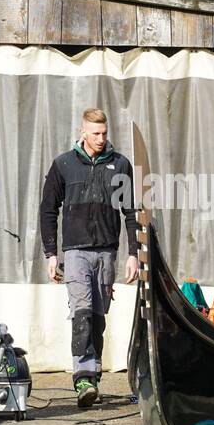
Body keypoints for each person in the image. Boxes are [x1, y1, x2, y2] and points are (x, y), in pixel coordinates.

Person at [39, 108, 139, 408]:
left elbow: (131, 213)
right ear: (82, 132)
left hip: (107, 251)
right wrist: (51, 254)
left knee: (97, 315)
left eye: (104, 133)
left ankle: (92, 377)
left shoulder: (120, 164)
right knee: (82, 310)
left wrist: (133, 254)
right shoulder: (64, 164)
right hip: (76, 251)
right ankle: (82, 377)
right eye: (95, 133)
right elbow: (48, 210)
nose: (101, 138)